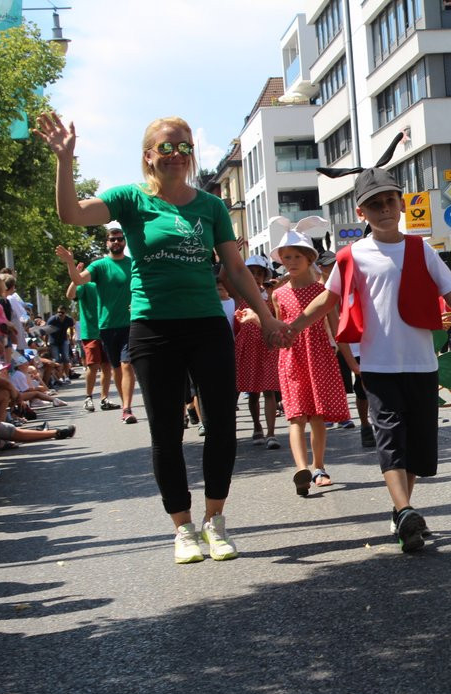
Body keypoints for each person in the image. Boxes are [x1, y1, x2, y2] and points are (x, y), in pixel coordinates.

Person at [36, 111, 291, 564]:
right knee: (167, 430)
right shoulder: (131, 199)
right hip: (152, 327)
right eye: (167, 148)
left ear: (192, 155)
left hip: (206, 325)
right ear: (149, 157)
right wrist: (64, 161)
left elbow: (233, 268)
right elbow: (72, 214)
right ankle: (183, 528)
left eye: (185, 148)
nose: (177, 156)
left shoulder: (210, 207)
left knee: (221, 423)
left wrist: (266, 315)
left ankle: (215, 519)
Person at [288, 166, 451, 552]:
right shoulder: (351, 256)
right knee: (391, 438)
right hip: (377, 366)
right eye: (374, 204)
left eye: (390, 200)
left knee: (417, 447)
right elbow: (328, 299)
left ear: (401, 203)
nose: (384, 209)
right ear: (361, 212)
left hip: (421, 364)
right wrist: (292, 326)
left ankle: (402, 512)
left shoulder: (420, 248)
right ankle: (406, 509)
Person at [270, 230, 351, 494]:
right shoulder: (278, 295)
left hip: (319, 357)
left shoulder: (323, 291)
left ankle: (319, 466)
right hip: (291, 359)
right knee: (296, 417)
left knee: (317, 417)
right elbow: (279, 327)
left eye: (295, 256)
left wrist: (352, 363)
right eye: (285, 257)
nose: (290, 262)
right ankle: (301, 470)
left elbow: (336, 328)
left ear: (308, 259)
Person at [55, 224, 133, 419]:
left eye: (119, 238)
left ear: (124, 241)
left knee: (126, 364)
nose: (116, 242)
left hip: (130, 324)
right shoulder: (99, 266)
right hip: (105, 327)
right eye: (112, 239)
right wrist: (70, 263)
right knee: (113, 367)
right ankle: (97, 397)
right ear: (107, 243)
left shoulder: (133, 263)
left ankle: (127, 408)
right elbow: (77, 283)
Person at [233, 255, 281, 449]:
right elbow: (225, 275)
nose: (255, 276)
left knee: (269, 390)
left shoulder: (271, 294)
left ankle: (271, 433)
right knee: (252, 392)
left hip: (267, 345)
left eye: (259, 273)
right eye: (251, 272)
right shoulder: (239, 294)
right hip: (247, 346)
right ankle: (257, 426)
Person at [67, 276, 113, 412]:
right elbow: (70, 295)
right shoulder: (85, 285)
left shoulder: (107, 284)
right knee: (93, 365)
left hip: (108, 329)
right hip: (91, 333)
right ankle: (88, 397)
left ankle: (104, 398)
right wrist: (76, 276)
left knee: (106, 365)